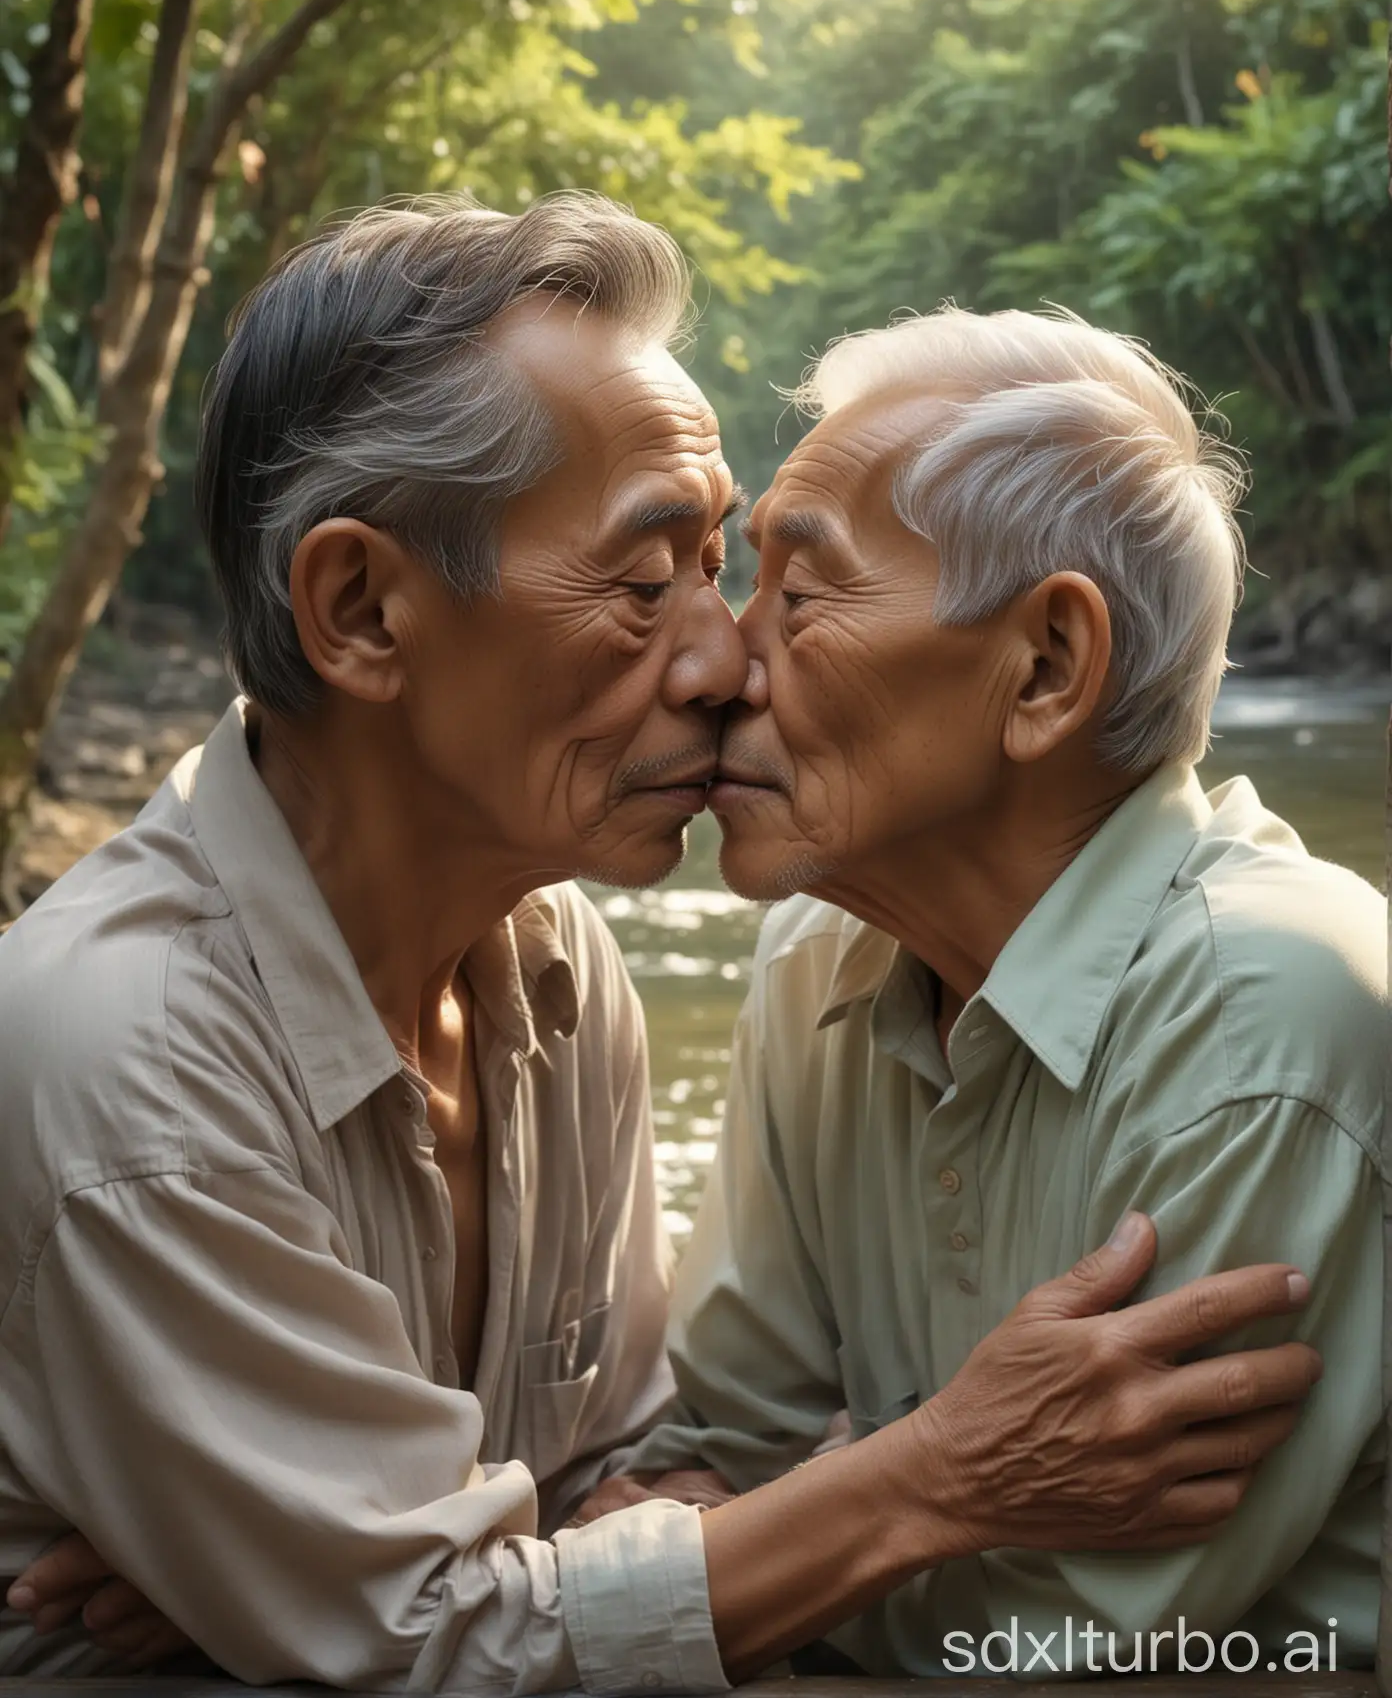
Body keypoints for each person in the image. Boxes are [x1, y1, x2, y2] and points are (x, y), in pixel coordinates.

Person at [0, 199, 1321, 1687]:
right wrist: (931, 1480)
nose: (720, 658)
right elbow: (446, 1633)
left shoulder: (552, 963)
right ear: (364, 610)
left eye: (733, 571)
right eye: (647, 585)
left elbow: (615, 1483)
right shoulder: (139, 1062)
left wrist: (298, 1562)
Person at [603, 306, 1386, 1673]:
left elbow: (1070, 1655)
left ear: (1044, 669)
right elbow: (717, 1446)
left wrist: (772, 1548)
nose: (724, 661)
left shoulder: (1266, 1022)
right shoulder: (821, 953)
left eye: (798, 596)